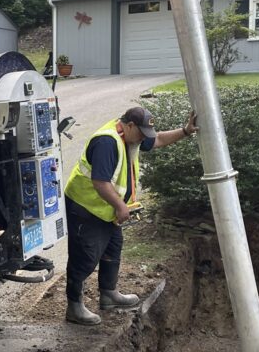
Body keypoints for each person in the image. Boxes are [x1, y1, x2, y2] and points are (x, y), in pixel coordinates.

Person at [63, 105, 198, 325]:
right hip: (86, 207)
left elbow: (158, 140)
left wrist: (185, 131)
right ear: (130, 125)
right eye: (142, 133)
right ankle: (74, 306)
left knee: (112, 250)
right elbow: (100, 182)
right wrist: (120, 206)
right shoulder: (107, 142)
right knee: (84, 257)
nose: (144, 139)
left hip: (105, 209)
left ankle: (109, 294)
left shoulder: (131, 136)